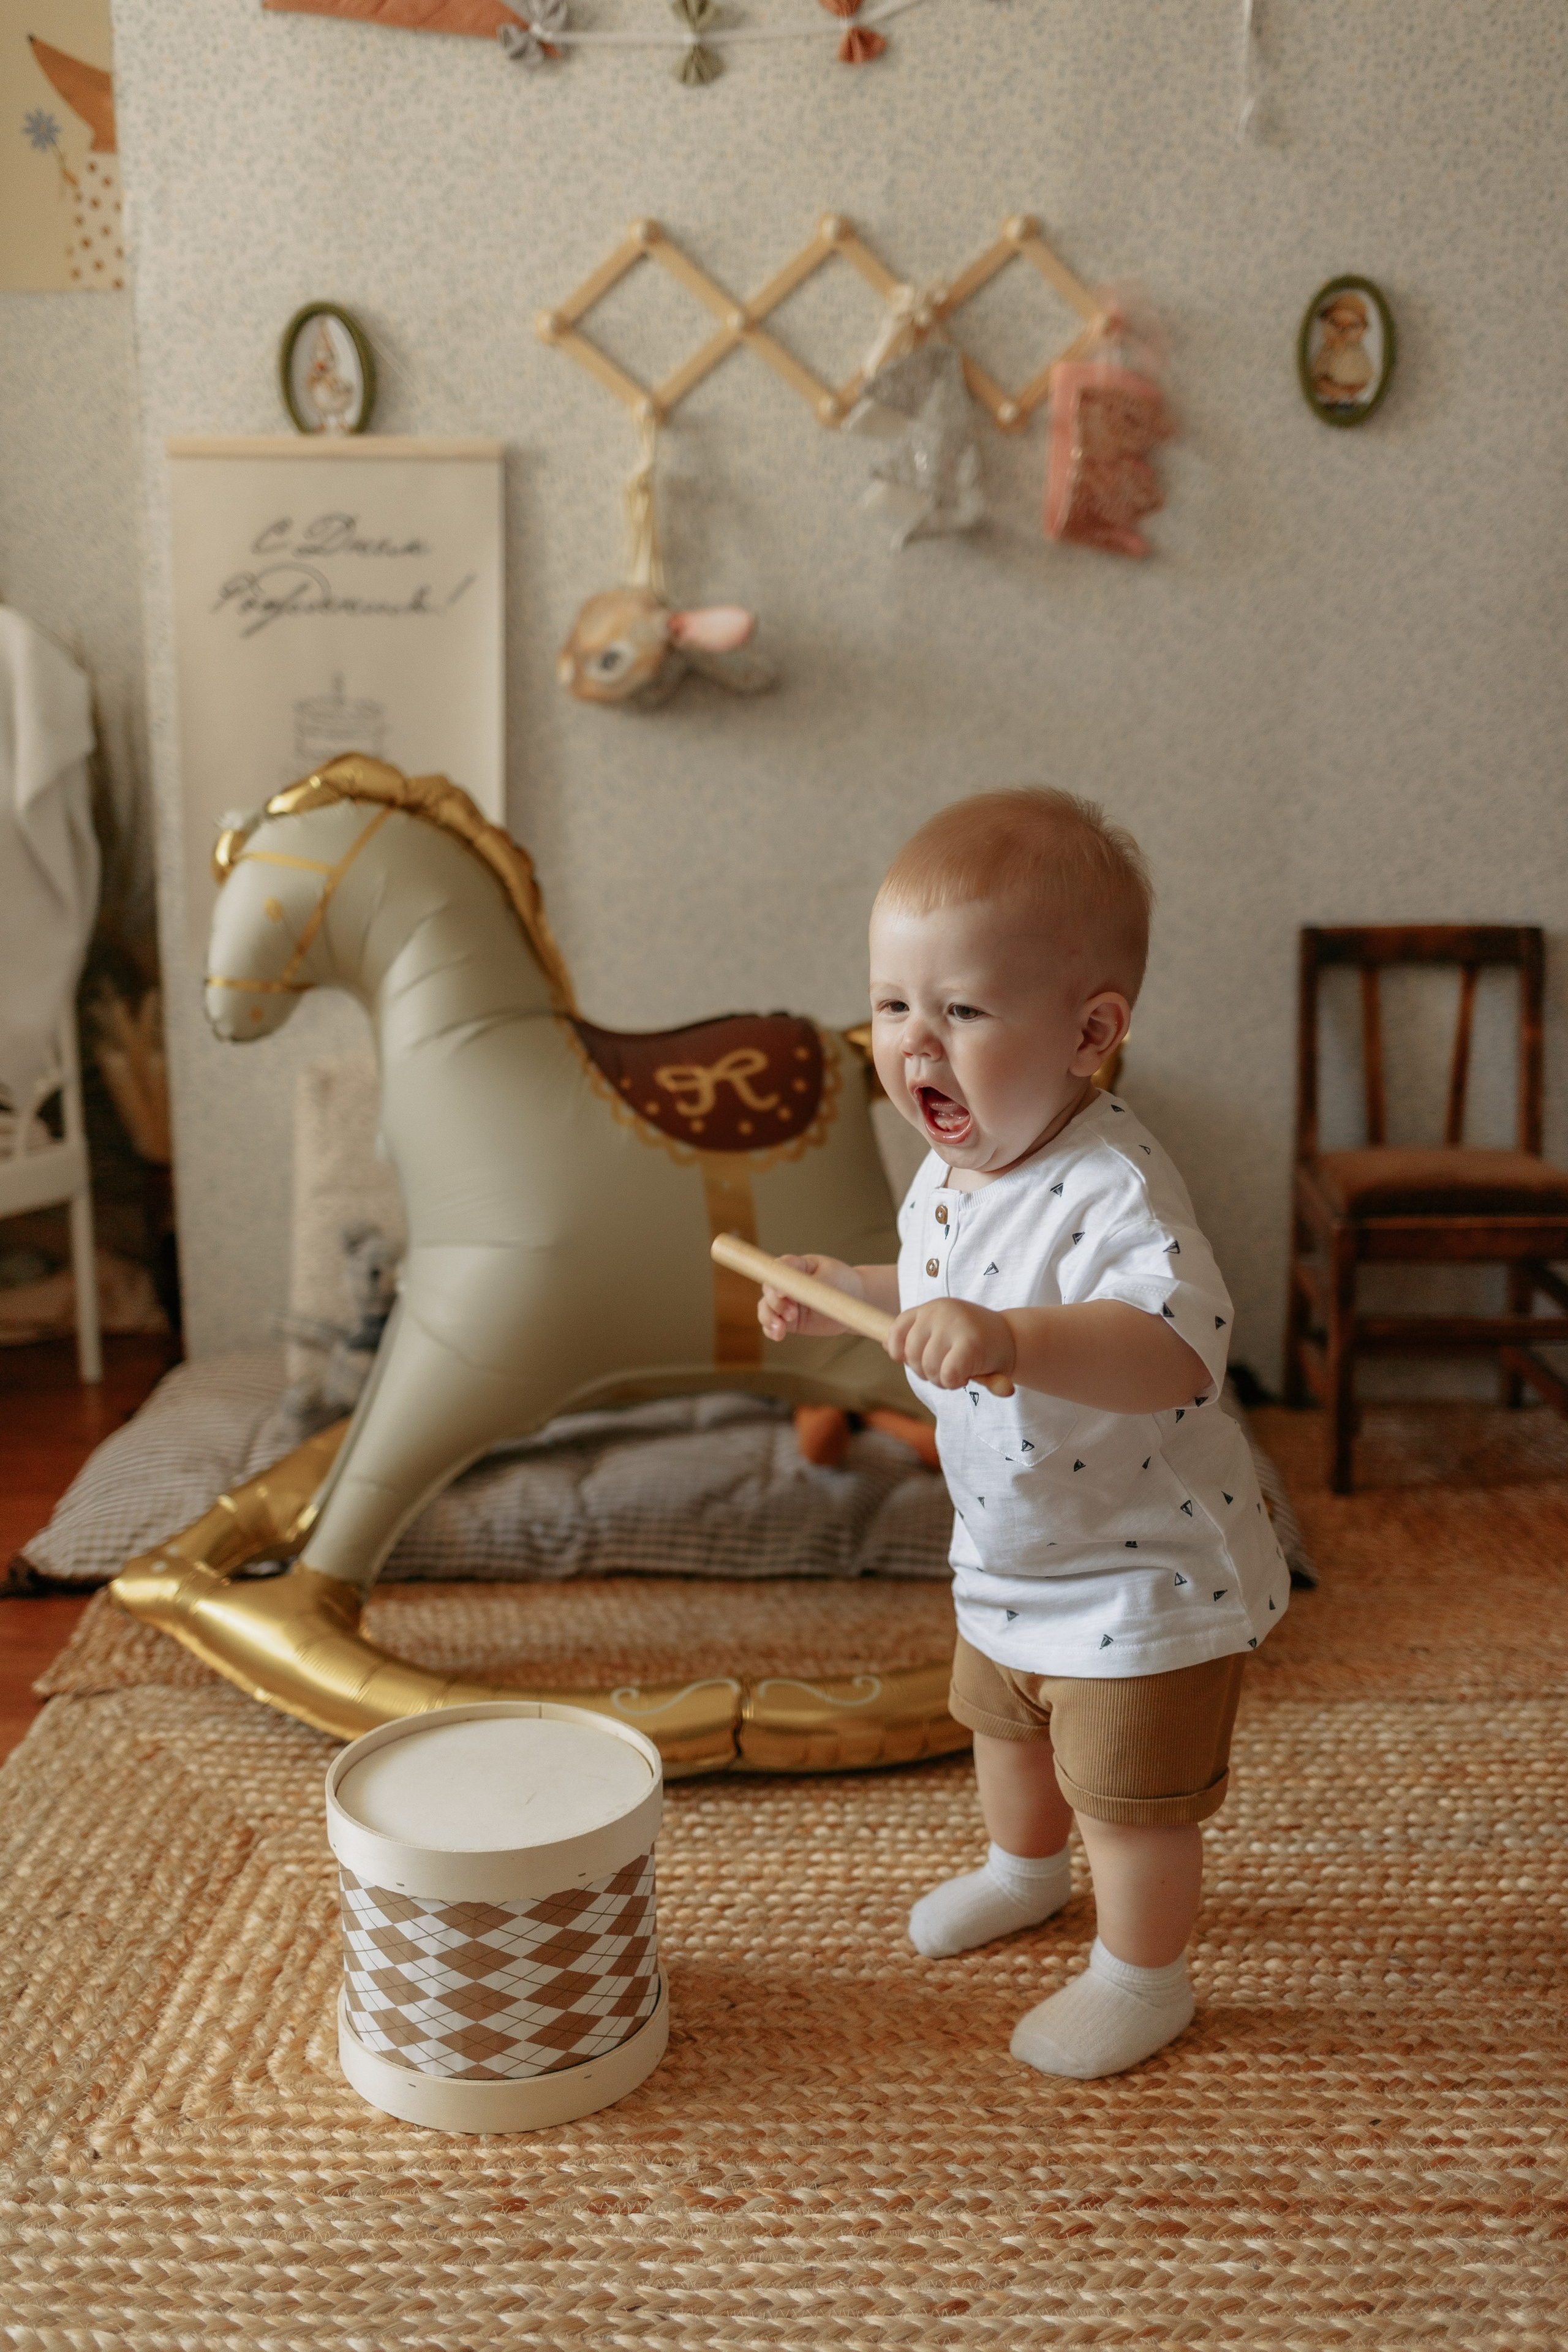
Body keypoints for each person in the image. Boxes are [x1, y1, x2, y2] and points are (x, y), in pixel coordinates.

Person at [758, 789, 1289, 2079]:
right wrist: (853, 1282)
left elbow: (1175, 1348)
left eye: (961, 1011)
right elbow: (941, 1277)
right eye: (891, 1006)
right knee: (1002, 1728)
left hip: (1136, 1570)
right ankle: (1019, 1870)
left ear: (1089, 1034)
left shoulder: (1115, 1190)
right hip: (1009, 1550)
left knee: (1127, 1801)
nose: (912, 1047)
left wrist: (1012, 1343)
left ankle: (1140, 1977)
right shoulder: (958, 1164)